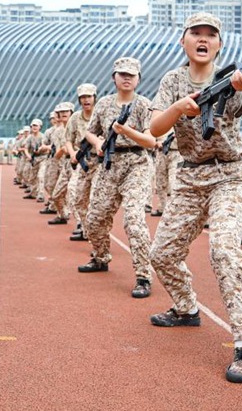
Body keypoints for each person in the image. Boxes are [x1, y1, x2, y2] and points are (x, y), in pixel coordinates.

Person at [148, 12, 242, 383]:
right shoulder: (172, 81)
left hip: (231, 175)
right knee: (162, 254)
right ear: (183, 42)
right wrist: (178, 108)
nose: (203, 39)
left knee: (224, 248)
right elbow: (154, 128)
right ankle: (186, 308)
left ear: (219, 43)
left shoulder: (231, 78)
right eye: (195, 34)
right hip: (189, 176)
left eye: (210, 35)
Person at [79, 58, 158, 300]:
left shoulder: (144, 105)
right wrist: (99, 142)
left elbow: (151, 141)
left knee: (133, 220)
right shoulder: (103, 104)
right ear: (114, 77)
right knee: (93, 219)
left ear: (138, 79)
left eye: (132, 75)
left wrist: (125, 131)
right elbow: (90, 131)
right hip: (110, 166)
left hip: (137, 164)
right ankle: (101, 256)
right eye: (122, 74)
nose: (127, 78)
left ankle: (143, 276)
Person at [65, 84, 98, 241]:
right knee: (76, 198)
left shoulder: (101, 113)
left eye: (89, 96)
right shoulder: (75, 118)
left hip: (99, 163)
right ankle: (85, 227)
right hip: (82, 161)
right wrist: (73, 154)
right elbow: (68, 140)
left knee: (95, 200)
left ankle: (94, 234)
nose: (86, 100)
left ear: (94, 97)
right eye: (83, 97)